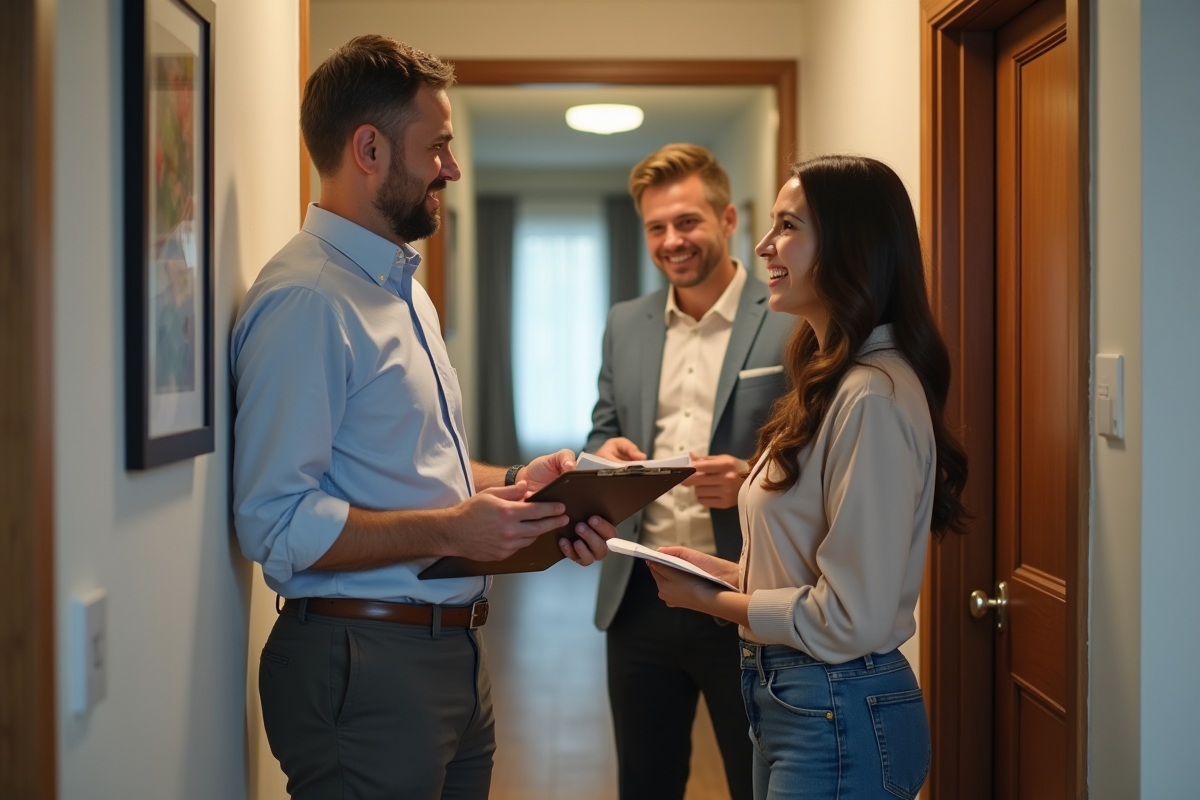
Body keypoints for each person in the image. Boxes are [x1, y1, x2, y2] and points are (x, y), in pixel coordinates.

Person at [230, 35, 611, 800]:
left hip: (451, 655)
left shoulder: (402, 288)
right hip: (365, 662)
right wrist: (449, 530)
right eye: (436, 146)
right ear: (368, 148)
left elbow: (417, 465)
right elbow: (274, 522)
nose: (452, 167)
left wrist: (518, 484)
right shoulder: (310, 300)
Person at [635, 155, 971, 799]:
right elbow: (812, 578)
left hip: (838, 706)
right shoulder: (832, 381)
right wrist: (720, 573)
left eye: (787, 227)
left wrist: (710, 602)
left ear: (849, 245)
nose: (764, 247)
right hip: (798, 700)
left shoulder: (871, 396)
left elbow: (848, 616)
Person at [585, 143, 793, 800]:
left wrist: (752, 477)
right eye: (656, 227)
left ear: (729, 220)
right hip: (639, 593)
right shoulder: (625, 324)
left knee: (754, 781)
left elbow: (821, 453)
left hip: (744, 593)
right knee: (645, 783)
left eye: (688, 222)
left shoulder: (791, 319)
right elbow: (602, 427)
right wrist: (605, 456)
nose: (672, 241)